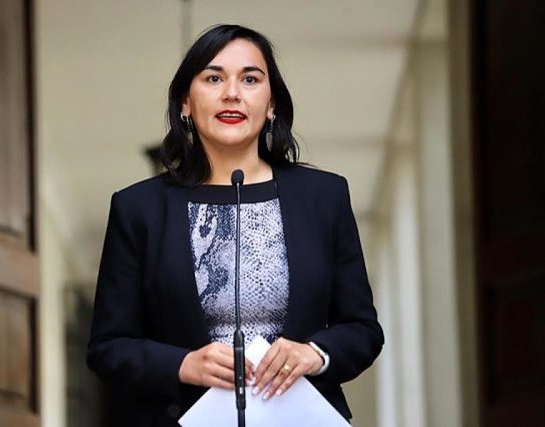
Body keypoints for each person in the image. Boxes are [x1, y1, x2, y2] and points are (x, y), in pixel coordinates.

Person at [87, 24, 384, 426]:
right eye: (213, 78)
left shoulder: (324, 196)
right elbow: (107, 347)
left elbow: (363, 329)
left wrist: (314, 353)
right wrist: (184, 364)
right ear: (185, 103)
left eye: (250, 79)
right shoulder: (138, 208)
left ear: (272, 103)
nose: (232, 93)